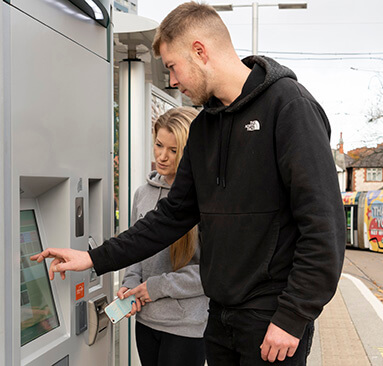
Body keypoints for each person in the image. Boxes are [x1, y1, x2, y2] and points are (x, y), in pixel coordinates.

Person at [31, 2, 346, 365]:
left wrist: (293, 316)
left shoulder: (289, 108)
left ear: (200, 51)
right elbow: (171, 216)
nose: (172, 80)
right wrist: (92, 257)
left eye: (172, 67)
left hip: (271, 319)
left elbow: (325, 228)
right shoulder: (203, 128)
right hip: (220, 318)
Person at [119, 107, 208, 366]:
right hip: (145, 319)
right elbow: (135, 246)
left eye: (173, 150)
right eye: (159, 145)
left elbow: (212, 272)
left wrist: (155, 288)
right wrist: (129, 283)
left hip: (186, 325)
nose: (162, 156)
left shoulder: (205, 199)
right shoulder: (143, 193)